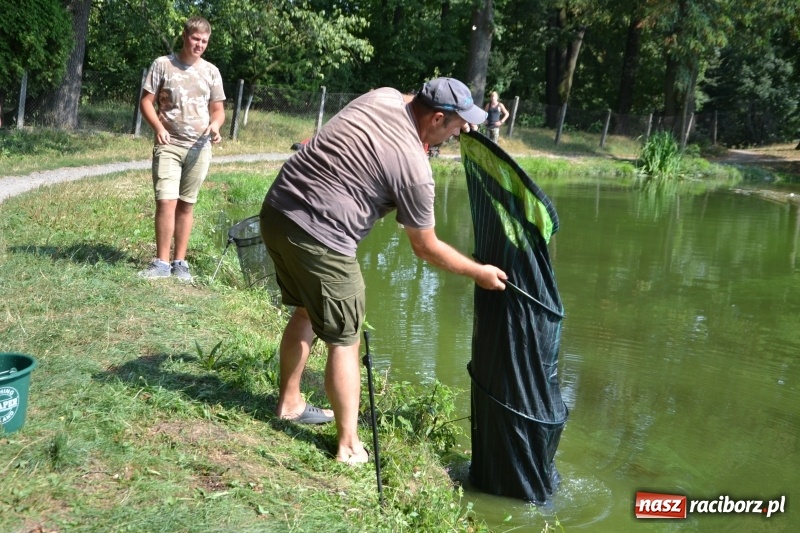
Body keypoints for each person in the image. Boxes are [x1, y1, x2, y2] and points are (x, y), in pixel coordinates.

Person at [259, 77, 508, 464]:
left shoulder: (383, 97)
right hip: (322, 236)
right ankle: (348, 446)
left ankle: (290, 403)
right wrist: (479, 272)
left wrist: (453, 121)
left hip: (277, 211)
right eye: (457, 126)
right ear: (436, 118)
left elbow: (412, 105)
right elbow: (425, 247)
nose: (459, 133)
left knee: (307, 311)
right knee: (345, 339)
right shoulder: (415, 169)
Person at [138, 16, 226, 281]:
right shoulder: (163, 64)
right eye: (196, 38)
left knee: (186, 204)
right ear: (185, 36)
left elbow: (218, 110)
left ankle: (180, 263)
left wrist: (216, 126)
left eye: (204, 41)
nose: (199, 44)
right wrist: (158, 127)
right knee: (166, 200)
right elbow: (146, 102)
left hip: (199, 148)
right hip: (169, 145)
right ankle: (161, 263)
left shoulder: (211, 71)